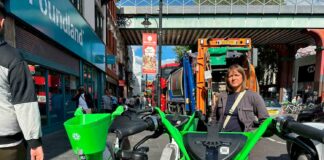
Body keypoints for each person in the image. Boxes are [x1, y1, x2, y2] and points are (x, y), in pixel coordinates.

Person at [0, 1, 44, 159]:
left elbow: (25, 103)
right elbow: (24, 102)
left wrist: (34, 141)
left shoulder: (12, 59)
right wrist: (34, 142)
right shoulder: (12, 58)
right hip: (8, 147)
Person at [210, 64, 269, 132]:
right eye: (230, 76)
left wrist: (254, 135)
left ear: (243, 77)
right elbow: (214, 119)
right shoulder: (222, 96)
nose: (233, 78)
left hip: (245, 140)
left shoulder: (253, 96)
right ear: (227, 79)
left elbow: (265, 121)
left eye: (236, 75)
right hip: (222, 139)